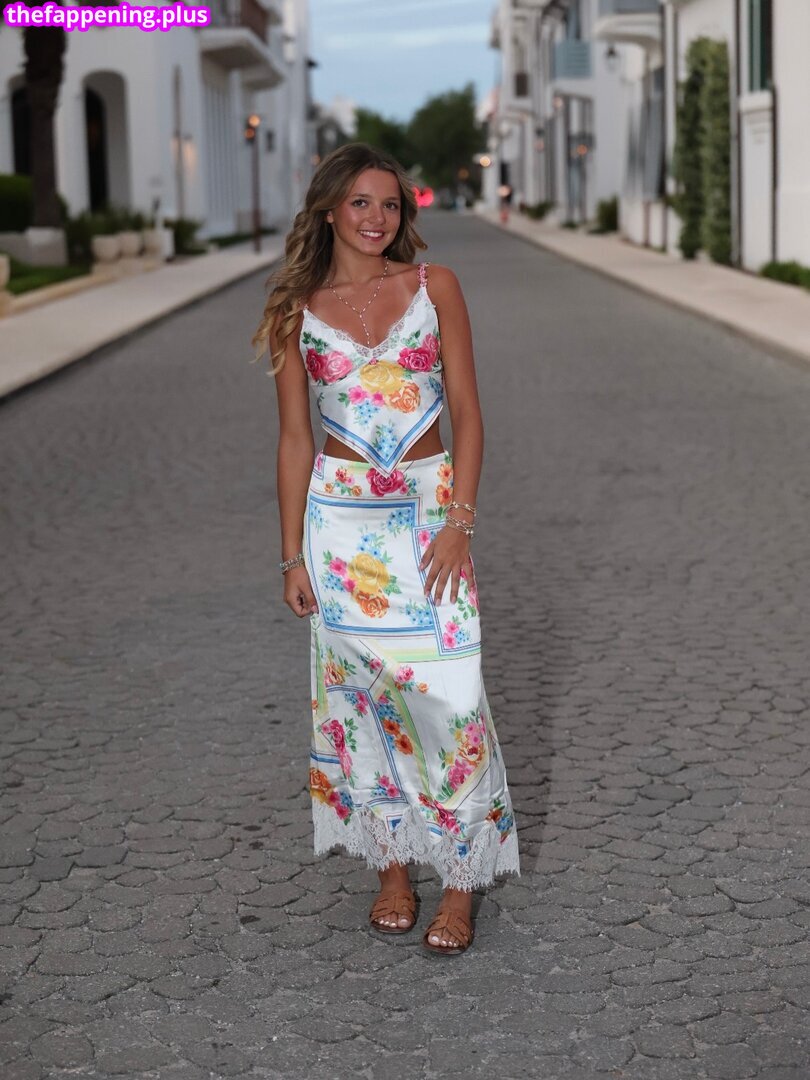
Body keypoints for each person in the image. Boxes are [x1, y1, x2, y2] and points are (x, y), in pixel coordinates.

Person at [252, 143, 519, 955]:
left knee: (452, 697)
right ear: (330, 209)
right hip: (341, 530)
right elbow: (294, 440)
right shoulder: (295, 309)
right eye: (361, 203)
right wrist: (292, 556)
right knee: (360, 699)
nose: (377, 218)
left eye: (390, 204)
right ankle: (393, 870)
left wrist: (460, 520)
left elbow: (468, 411)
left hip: (431, 517)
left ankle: (462, 880)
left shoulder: (436, 288)